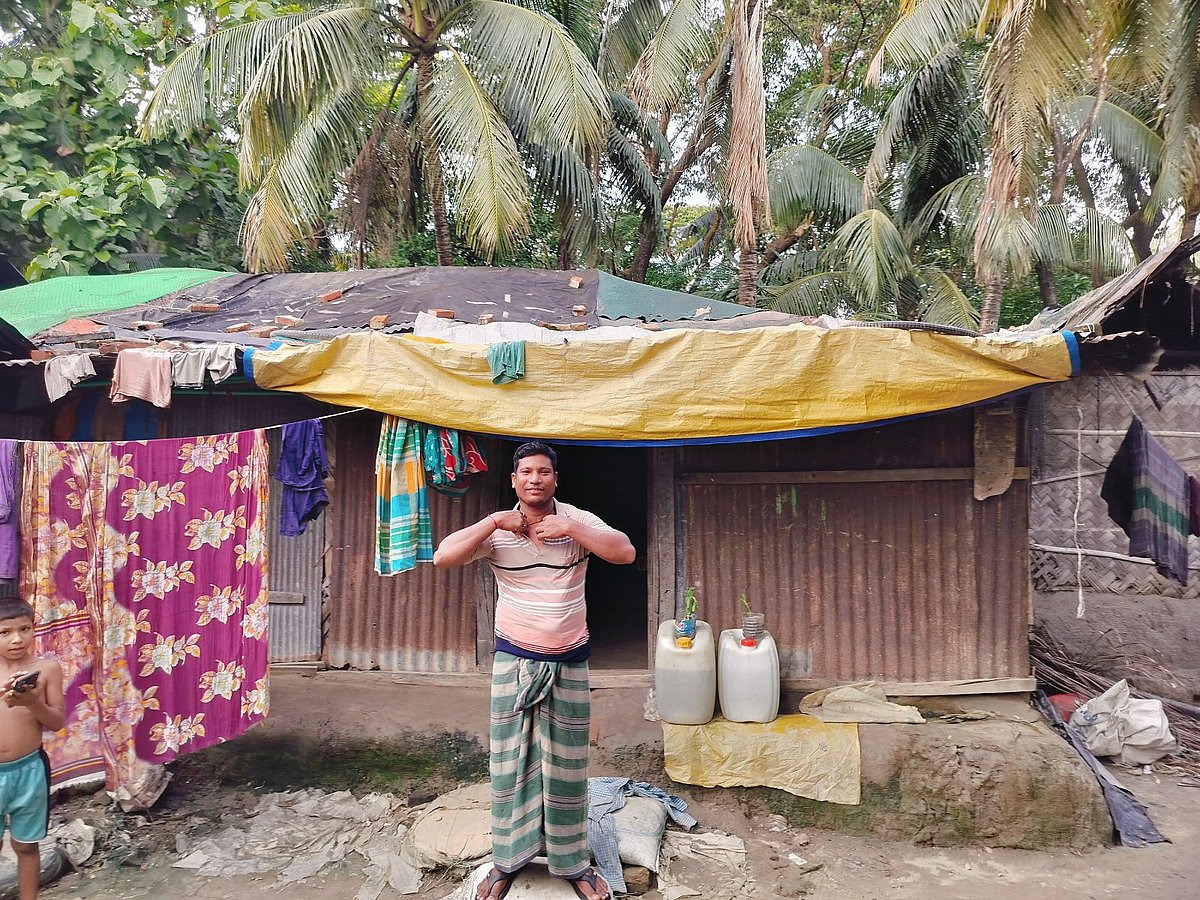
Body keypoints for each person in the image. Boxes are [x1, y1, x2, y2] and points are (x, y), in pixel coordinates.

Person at [435, 441, 635, 900]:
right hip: (515, 661)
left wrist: (572, 528)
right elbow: (443, 557)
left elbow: (623, 553)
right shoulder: (498, 530)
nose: (535, 479)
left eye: (544, 471)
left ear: (555, 479)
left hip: (569, 660)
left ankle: (573, 864)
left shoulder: (576, 520)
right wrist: (489, 522)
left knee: (567, 767)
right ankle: (507, 861)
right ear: (514, 480)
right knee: (511, 766)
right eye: (526, 472)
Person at [0, 598, 65, 900]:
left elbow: (57, 723)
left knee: (26, 845)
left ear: (33, 629)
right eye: (4, 632)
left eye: (24, 629)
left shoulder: (47, 670)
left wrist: (33, 702)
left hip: (30, 771)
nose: (16, 639)